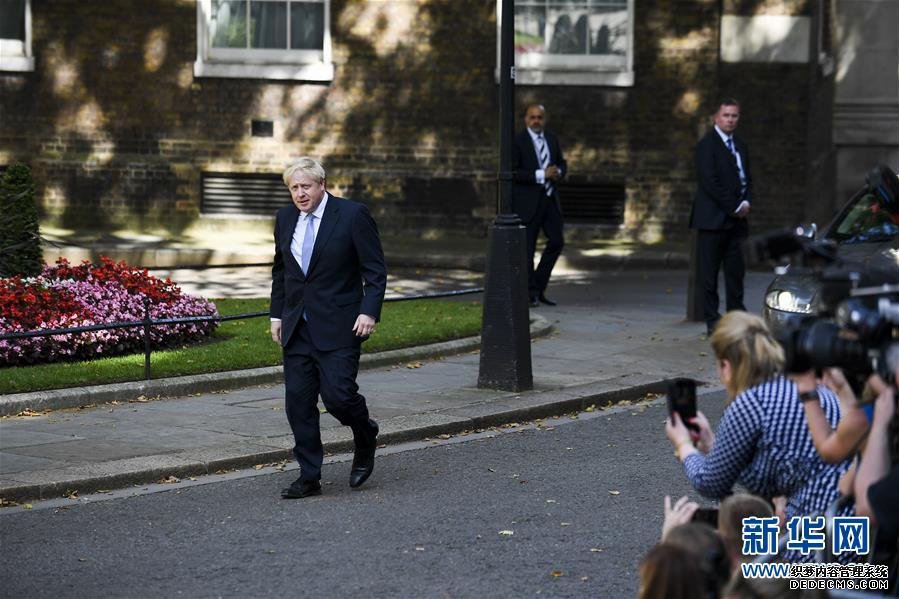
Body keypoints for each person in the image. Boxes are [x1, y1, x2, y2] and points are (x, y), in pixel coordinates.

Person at [664, 312, 850, 560]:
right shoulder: (809, 389)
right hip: (850, 534)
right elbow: (768, 468)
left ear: (726, 366)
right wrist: (713, 446)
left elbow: (710, 483)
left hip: (816, 546)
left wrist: (684, 445)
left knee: (718, 548)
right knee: (743, 532)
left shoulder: (751, 404)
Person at [270, 157, 387, 499]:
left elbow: (375, 270)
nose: (300, 194)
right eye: (294, 187)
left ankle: (365, 433)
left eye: (306, 186)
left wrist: (369, 312)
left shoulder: (352, 215)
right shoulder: (285, 217)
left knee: (338, 398)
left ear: (322, 185)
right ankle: (309, 476)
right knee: (299, 404)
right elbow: (282, 272)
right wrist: (277, 315)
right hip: (297, 328)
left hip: (341, 325)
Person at [690, 98, 753, 335]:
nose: (730, 120)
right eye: (726, 115)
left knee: (736, 272)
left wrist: (747, 201)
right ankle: (712, 322)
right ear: (716, 118)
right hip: (712, 221)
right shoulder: (707, 145)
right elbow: (710, 183)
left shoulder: (742, 145)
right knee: (709, 275)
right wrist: (735, 206)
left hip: (737, 222)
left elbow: (747, 179)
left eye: (734, 115)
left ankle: (737, 318)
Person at [512, 103, 567, 307]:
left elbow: (562, 163)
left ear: (545, 119)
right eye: (532, 117)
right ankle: (529, 294)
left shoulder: (551, 138)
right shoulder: (518, 141)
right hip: (528, 202)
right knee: (528, 249)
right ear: (526, 119)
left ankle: (537, 286)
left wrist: (558, 172)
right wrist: (541, 174)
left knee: (557, 241)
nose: (536, 121)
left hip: (550, 198)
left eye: (540, 117)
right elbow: (513, 172)